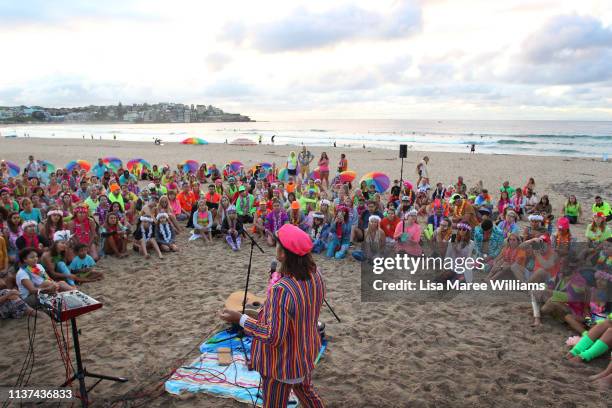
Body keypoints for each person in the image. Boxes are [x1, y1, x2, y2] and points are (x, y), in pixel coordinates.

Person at [220, 223, 325, 408]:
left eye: (277, 244)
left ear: (283, 254)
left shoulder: (282, 290)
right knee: (306, 392)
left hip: (282, 364)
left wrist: (240, 319)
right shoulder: (316, 274)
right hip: (306, 353)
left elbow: (273, 336)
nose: (275, 247)